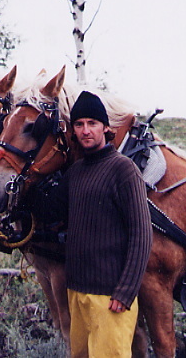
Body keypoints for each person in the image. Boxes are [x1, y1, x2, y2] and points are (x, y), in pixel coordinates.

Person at [64, 90, 153, 358]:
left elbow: (141, 235)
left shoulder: (123, 170)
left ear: (105, 127)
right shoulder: (75, 173)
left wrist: (125, 292)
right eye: (79, 124)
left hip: (110, 298)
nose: (85, 131)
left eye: (92, 123)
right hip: (77, 293)